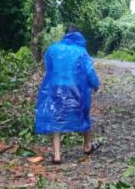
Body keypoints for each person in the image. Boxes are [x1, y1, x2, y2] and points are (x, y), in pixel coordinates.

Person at [34, 26, 100, 164]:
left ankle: (57, 155)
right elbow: (89, 71)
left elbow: (49, 69)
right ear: (78, 36)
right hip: (76, 88)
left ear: (65, 35)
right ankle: (87, 146)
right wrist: (95, 84)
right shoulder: (81, 51)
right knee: (83, 113)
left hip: (56, 87)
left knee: (56, 118)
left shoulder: (53, 49)